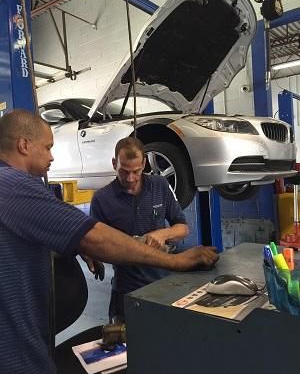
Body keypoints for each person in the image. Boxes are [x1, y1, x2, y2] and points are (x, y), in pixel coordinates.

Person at [0, 110, 219, 374]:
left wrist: (77, 246)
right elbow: (94, 237)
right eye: (47, 147)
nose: (51, 156)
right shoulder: (10, 185)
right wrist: (175, 260)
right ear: (24, 145)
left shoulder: (159, 186)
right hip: (15, 353)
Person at [90, 137, 215, 323]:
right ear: (114, 163)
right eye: (124, 172)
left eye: (136, 171)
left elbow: (182, 228)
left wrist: (162, 234)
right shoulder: (102, 199)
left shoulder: (160, 185)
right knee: (126, 347)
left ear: (144, 163)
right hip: (126, 290)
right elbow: (94, 244)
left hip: (164, 285)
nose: (130, 179)